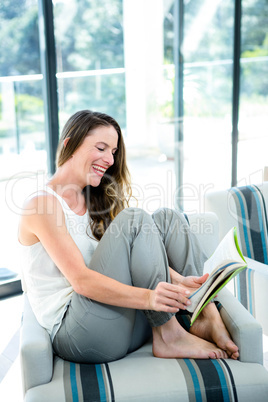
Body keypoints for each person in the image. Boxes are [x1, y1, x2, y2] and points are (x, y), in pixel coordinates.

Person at [18, 110, 239, 364]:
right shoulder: (41, 204)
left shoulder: (94, 201)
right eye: (101, 148)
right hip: (82, 335)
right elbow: (82, 281)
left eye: (113, 152)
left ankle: (205, 314)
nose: (110, 160)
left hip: (123, 325)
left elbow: (138, 257)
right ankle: (169, 335)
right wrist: (150, 298)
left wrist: (178, 280)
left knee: (167, 218)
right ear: (70, 143)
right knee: (134, 218)